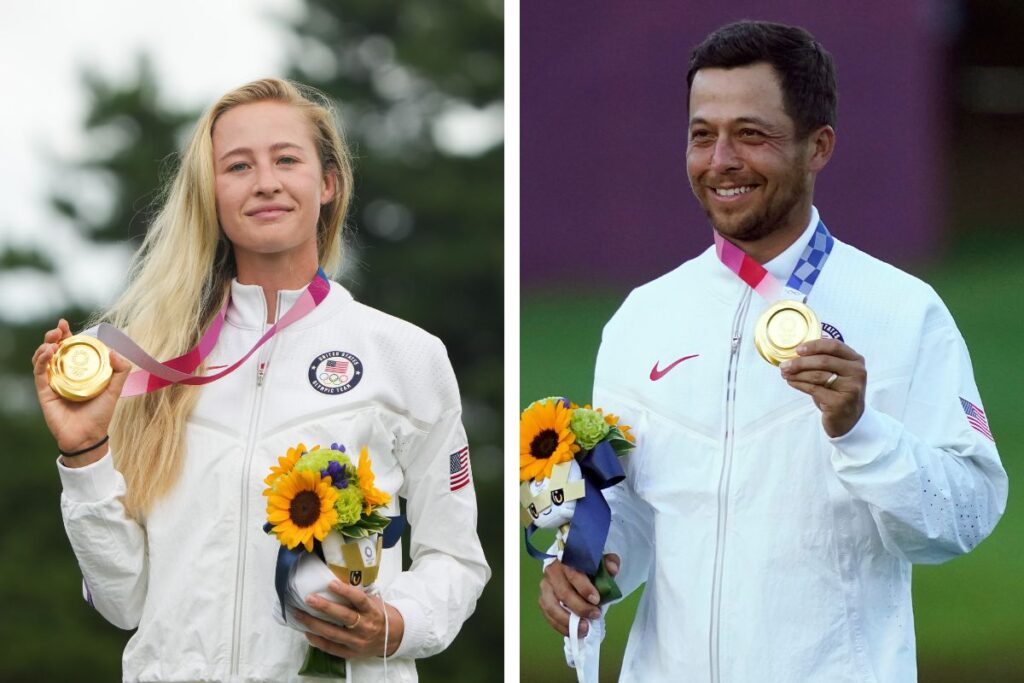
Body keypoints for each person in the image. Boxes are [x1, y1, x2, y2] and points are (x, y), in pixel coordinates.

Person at [537, 20, 1007, 682]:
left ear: (819, 147)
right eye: (703, 134)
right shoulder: (642, 317)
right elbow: (642, 520)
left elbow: (967, 514)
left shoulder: (903, 310)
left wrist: (860, 430)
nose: (721, 160)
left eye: (751, 135)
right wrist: (584, 563)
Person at [32, 78, 489, 683]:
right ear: (211, 194)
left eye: (287, 160)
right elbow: (124, 603)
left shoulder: (405, 355)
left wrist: (397, 624)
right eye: (238, 166)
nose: (266, 182)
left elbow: (455, 558)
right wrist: (86, 452)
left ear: (327, 184)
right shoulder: (154, 364)